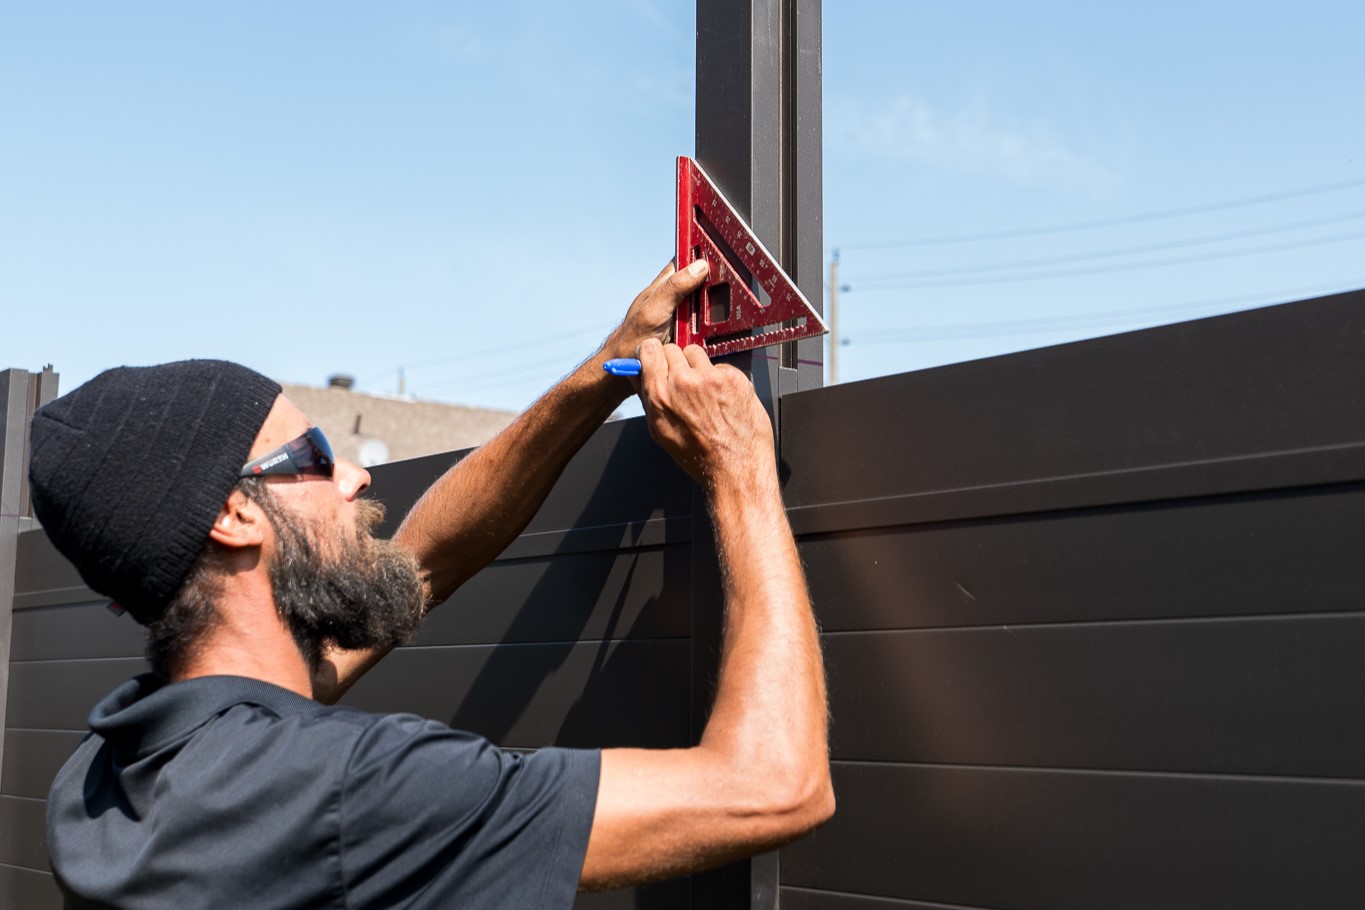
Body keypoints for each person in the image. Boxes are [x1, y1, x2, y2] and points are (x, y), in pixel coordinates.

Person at [28, 260, 834, 908]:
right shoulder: (349, 789)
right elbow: (770, 788)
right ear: (236, 515)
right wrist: (740, 475)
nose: (355, 473)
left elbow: (423, 559)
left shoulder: (104, 777)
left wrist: (604, 368)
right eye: (310, 456)